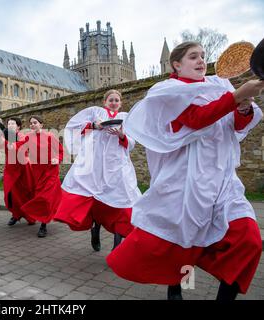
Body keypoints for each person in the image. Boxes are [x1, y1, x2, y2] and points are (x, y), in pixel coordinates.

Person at [106, 41, 264, 300]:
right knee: (179, 243)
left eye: (203, 56)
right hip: (186, 180)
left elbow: (235, 126)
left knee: (248, 241)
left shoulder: (220, 85)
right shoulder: (168, 91)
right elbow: (196, 119)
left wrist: (243, 106)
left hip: (223, 179)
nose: (201, 61)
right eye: (193, 57)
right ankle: (175, 286)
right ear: (176, 65)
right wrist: (235, 97)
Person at [54, 90, 141, 251]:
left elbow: (132, 141)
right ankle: (96, 228)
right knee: (95, 197)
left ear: (120, 103)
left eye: (116, 100)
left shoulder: (126, 117)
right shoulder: (96, 112)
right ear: (105, 102)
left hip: (117, 165)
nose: (114, 102)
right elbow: (75, 126)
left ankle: (118, 242)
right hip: (95, 164)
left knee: (123, 196)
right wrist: (96, 126)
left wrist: (122, 135)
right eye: (111, 100)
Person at [14, 115, 63, 237]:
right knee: (40, 197)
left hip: (50, 171)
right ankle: (33, 215)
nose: (32, 125)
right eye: (30, 123)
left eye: (35, 123)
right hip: (37, 172)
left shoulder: (50, 136)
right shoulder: (28, 137)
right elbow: (19, 145)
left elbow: (60, 151)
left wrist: (57, 159)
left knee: (45, 198)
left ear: (41, 124)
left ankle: (43, 225)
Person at [0, 117, 36, 226]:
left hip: (22, 168)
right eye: (8, 123)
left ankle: (30, 216)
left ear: (18, 126)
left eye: (13, 123)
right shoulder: (6, 134)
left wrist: (5, 140)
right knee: (11, 193)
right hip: (10, 168)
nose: (10, 125)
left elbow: (18, 148)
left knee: (25, 193)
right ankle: (15, 214)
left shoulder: (22, 136)